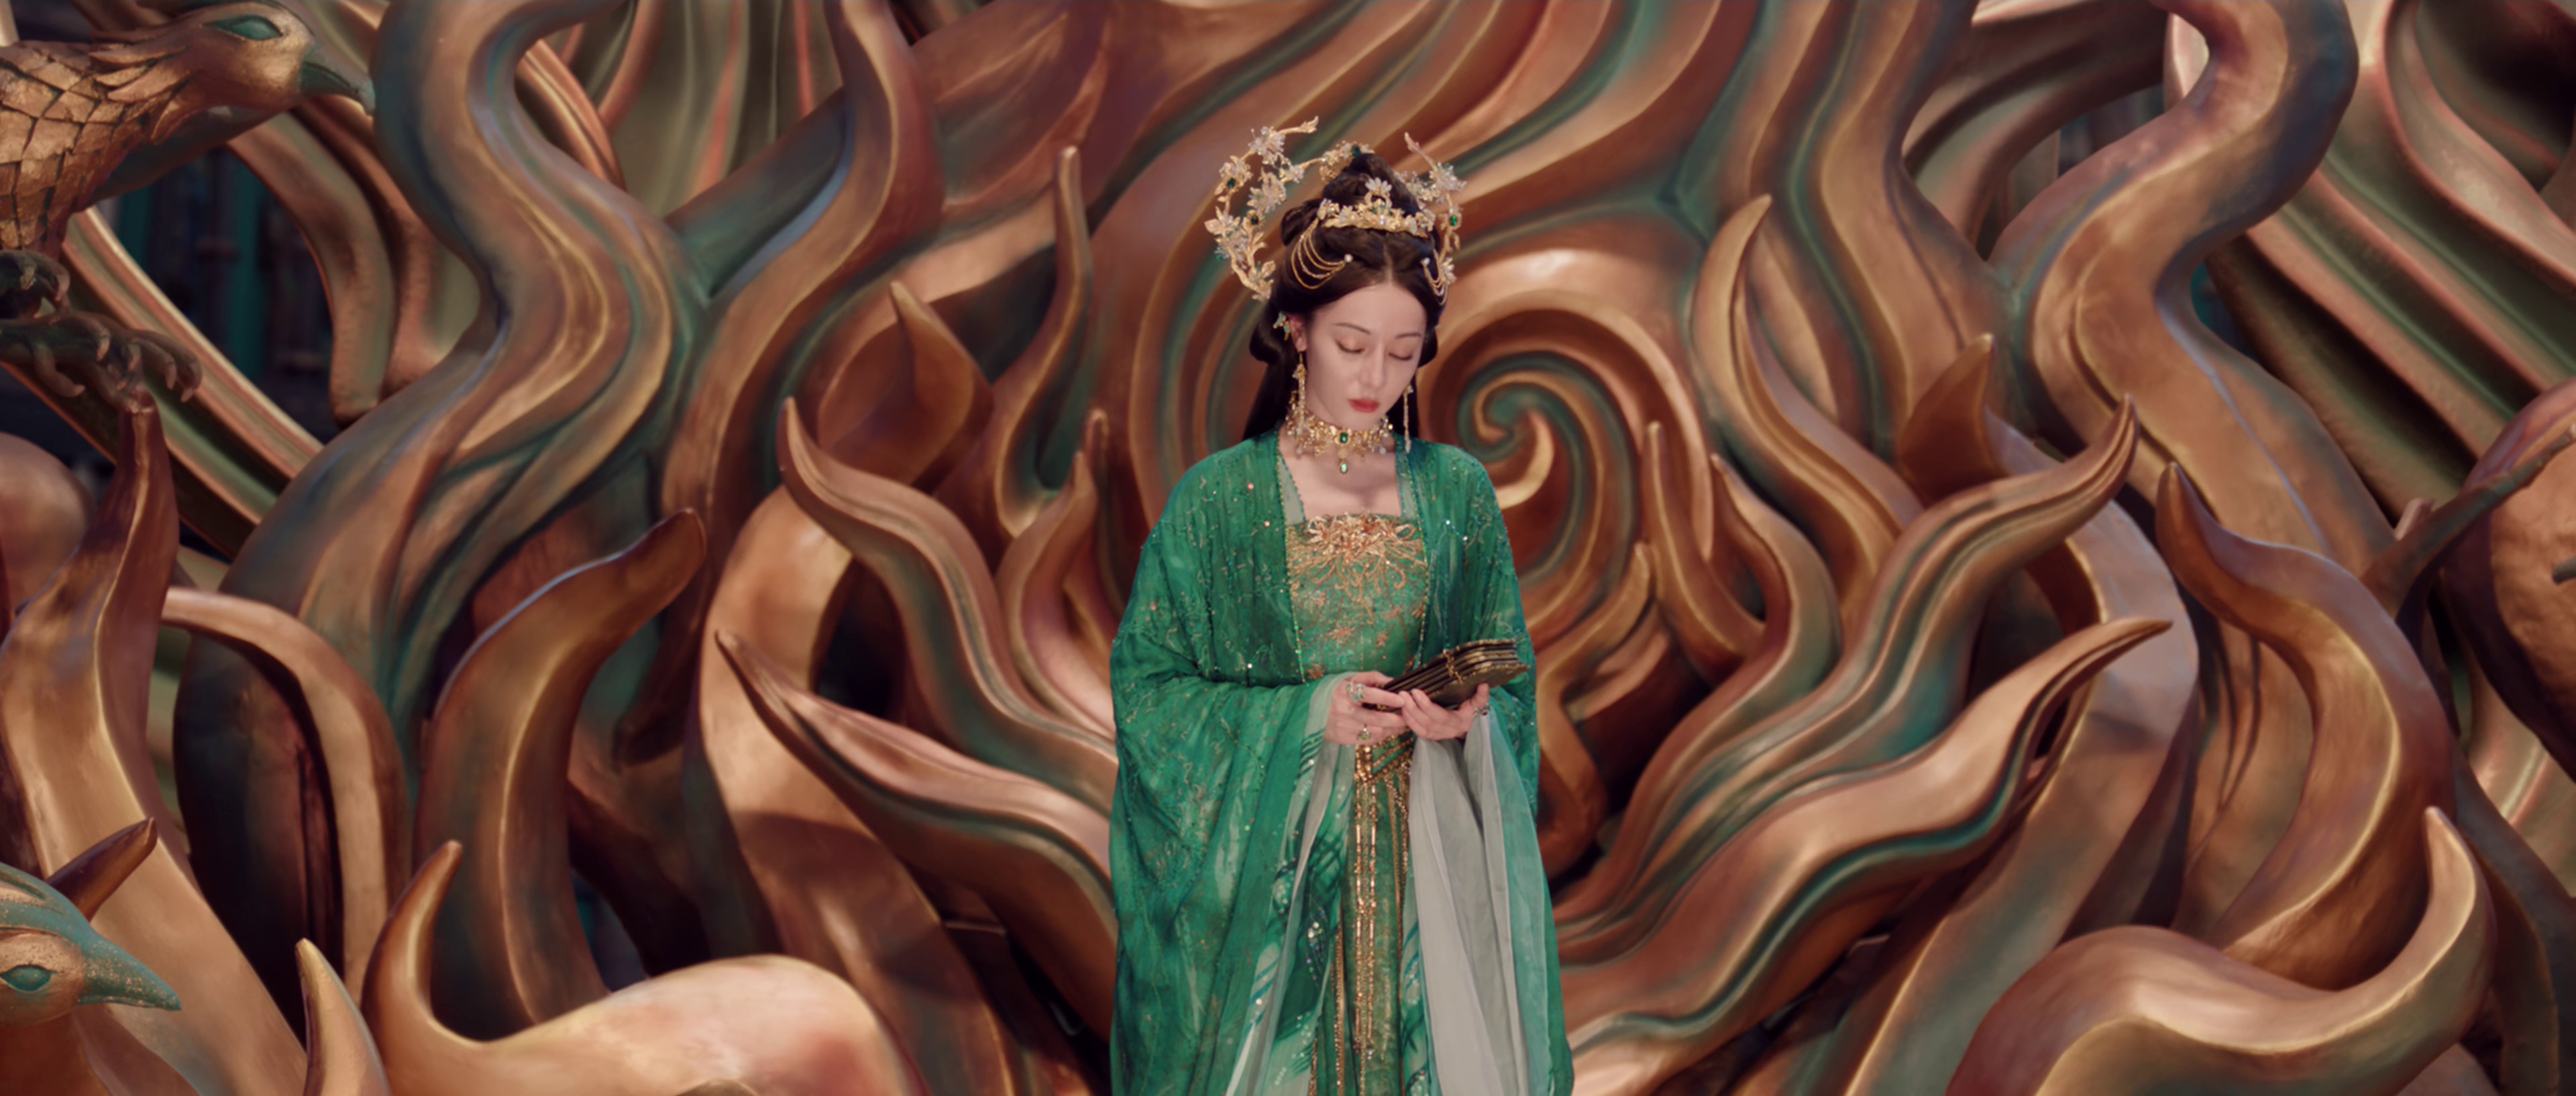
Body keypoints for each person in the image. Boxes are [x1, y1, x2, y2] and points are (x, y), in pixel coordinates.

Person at [1107, 121, 1572, 1095]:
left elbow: (1511, 680)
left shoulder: (1456, 492)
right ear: (1296, 329)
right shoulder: (1221, 501)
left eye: (1403, 353)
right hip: (1279, 900)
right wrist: (1305, 714)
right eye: (1352, 344)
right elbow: (1149, 691)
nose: (1375, 379)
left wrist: (1467, 719)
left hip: (1426, 888)